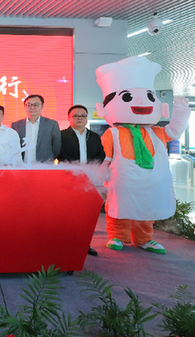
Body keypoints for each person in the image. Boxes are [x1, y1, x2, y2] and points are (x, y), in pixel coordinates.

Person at [95, 56, 190, 254]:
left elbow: (174, 132)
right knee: (119, 208)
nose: (141, 101)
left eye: (149, 96)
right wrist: (102, 177)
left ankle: (144, 238)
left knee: (146, 209)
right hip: (123, 180)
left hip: (151, 182)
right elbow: (105, 158)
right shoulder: (113, 133)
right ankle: (117, 236)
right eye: (127, 97)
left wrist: (181, 113)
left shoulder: (156, 132)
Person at [57, 104, 105, 256]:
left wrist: (90, 168)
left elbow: (101, 155)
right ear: (69, 118)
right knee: (68, 213)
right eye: (76, 116)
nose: (80, 118)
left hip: (89, 180)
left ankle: (85, 244)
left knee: (85, 215)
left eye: (83, 116)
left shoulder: (94, 136)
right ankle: (65, 243)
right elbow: (60, 154)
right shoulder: (61, 135)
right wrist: (77, 168)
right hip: (69, 179)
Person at [11, 94, 61, 163]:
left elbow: (56, 147)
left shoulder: (52, 124)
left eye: (36, 105)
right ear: (25, 107)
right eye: (29, 105)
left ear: (42, 106)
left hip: (44, 165)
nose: (32, 107)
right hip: (22, 166)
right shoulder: (16, 125)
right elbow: (13, 147)